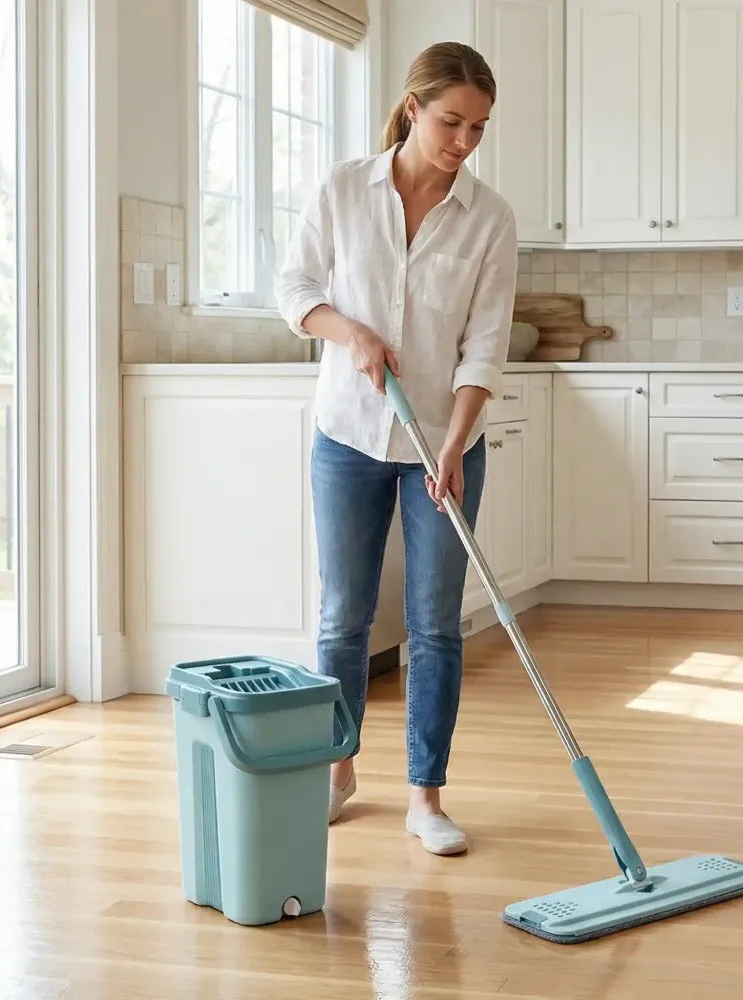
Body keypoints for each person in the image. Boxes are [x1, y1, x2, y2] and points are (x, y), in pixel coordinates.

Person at [275, 41, 517, 856]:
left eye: (478, 128)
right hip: (347, 434)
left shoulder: (489, 218)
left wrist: (454, 441)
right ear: (413, 108)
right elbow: (295, 290)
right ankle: (337, 774)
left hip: (444, 445)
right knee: (343, 618)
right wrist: (351, 332)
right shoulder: (345, 189)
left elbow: (486, 344)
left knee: (435, 624)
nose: (463, 142)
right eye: (451, 122)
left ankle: (426, 795)